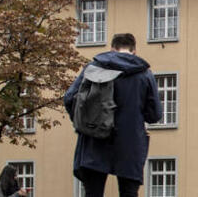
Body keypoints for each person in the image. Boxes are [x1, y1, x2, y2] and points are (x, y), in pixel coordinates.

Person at [64, 33, 161, 197]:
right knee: (129, 192)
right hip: (130, 143)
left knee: (92, 192)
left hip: (94, 139)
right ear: (134, 51)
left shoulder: (93, 68)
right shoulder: (144, 74)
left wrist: (83, 122)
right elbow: (154, 114)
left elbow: (69, 99)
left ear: (112, 49)